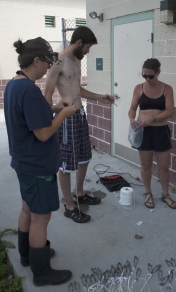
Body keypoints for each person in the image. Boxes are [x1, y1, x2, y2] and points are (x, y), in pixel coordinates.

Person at [4, 37, 77, 286]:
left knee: (28, 209)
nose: (49, 68)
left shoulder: (14, 84)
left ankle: (28, 255)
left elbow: (31, 120)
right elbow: (43, 133)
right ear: (36, 60)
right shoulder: (30, 91)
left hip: (23, 162)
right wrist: (66, 113)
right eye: (47, 62)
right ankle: (42, 272)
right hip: (37, 166)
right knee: (40, 217)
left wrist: (55, 109)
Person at [45, 26, 114, 223]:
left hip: (80, 114)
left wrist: (100, 97)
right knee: (66, 163)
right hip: (66, 118)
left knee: (84, 157)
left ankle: (80, 193)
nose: (88, 51)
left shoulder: (75, 61)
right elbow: (48, 93)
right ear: (79, 43)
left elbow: (78, 89)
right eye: (88, 47)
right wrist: (51, 114)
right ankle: (69, 206)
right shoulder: (58, 62)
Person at [128, 58, 176, 210]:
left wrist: (154, 118)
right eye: (144, 76)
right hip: (143, 131)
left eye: (151, 76)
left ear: (158, 73)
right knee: (146, 165)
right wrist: (132, 120)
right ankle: (148, 193)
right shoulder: (139, 88)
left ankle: (165, 194)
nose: (147, 79)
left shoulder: (167, 89)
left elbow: (170, 111)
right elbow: (132, 108)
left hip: (160, 130)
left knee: (163, 166)